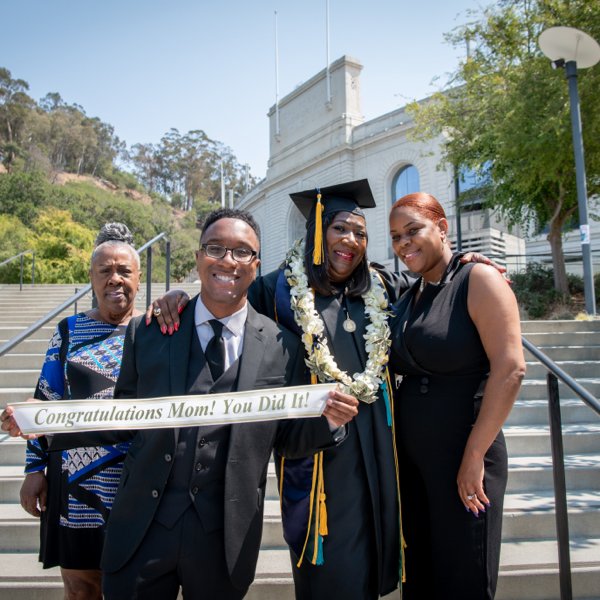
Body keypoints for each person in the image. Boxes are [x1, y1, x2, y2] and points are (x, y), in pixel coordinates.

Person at [147, 181, 501, 599]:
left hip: (382, 453)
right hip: (318, 462)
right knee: (332, 575)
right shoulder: (277, 289)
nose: (350, 241)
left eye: (361, 233)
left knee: (381, 562)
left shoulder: (382, 287)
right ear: (316, 231)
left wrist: (466, 264)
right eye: (339, 229)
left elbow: (436, 288)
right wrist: (177, 298)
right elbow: (225, 296)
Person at [3, 208, 359, 600]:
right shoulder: (151, 330)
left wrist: (329, 422)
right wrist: (43, 422)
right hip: (143, 529)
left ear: (256, 266)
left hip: (224, 536)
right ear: (198, 258)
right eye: (216, 248)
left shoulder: (281, 345)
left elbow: (287, 438)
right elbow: (119, 417)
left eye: (242, 252)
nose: (228, 260)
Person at [388, 192, 526, 599]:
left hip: (465, 453)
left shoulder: (478, 278)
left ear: (443, 228)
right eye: (396, 236)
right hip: (412, 464)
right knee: (421, 580)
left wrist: (473, 456)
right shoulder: (409, 295)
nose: (404, 243)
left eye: (414, 230)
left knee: (463, 579)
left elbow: (511, 368)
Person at [16, 222, 141, 600]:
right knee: (81, 586)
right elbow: (45, 397)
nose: (114, 280)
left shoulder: (156, 328)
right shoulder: (69, 330)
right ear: (91, 277)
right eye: (105, 271)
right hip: (73, 481)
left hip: (136, 480)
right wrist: (34, 468)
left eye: (124, 271)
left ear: (138, 276)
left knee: (133, 585)